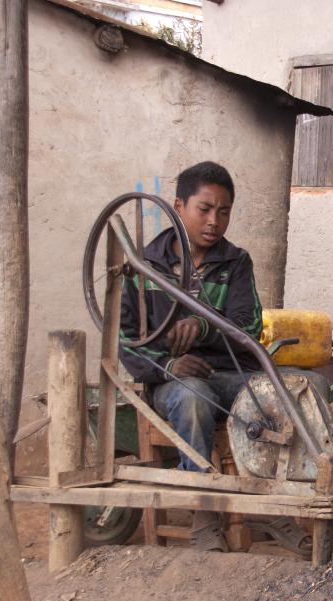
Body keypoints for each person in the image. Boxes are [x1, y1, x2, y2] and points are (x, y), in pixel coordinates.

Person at [119, 161, 264, 551]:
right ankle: (203, 513)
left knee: (293, 391)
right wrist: (169, 367)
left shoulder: (236, 263)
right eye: (204, 209)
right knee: (193, 396)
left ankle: (278, 506)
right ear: (178, 206)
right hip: (172, 385)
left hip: (228, 376)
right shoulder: (143, 266)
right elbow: (126, 340)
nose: (214, 221)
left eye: (224, 211)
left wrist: (203, 326)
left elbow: (248, 327)